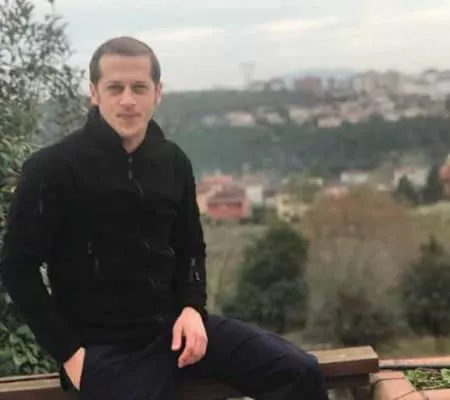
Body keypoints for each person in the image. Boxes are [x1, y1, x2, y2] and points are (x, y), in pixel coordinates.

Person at [0, 36, 330, 400]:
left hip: (176, 331)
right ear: (94, 93)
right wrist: (71, 355)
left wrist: (192, 308)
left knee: (298, 372)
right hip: (103, 350)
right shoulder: (51, 169)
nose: (128, 99)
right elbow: (17, 267)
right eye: (115, 88)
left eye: (139, 87)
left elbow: (190, 248)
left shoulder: (173, 162)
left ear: (158, 92)